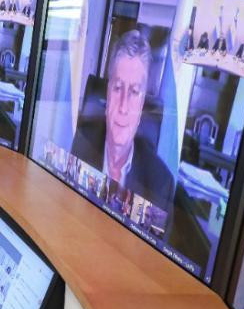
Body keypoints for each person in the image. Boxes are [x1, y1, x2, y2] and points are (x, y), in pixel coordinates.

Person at [70, 29, 175, 207]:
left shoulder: (160, 184)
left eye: (134, 92)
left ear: (142, 105)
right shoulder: (77, 144)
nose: (123, 106)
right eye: (118, 88)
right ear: (107, 94)